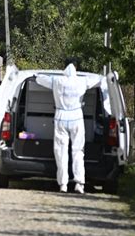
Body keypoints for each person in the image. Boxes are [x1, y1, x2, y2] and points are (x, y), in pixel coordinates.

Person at [35, 58, 102, 194]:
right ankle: (79, 184)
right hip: (77, 117)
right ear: (76, 68)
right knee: (78, 152)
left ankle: (63, 185)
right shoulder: (82, 81)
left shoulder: (56, 80)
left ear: (64, 67)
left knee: (61, 152)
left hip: (60, 117)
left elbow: (39, 79)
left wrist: (36, 74)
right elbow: (99, 80)